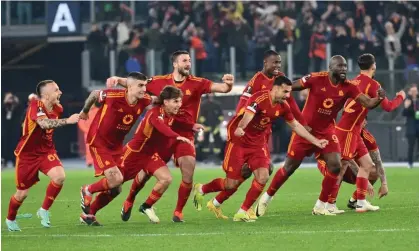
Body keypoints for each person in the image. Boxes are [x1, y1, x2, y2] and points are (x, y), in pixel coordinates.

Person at [106, 50, 234, 222]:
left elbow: (222, 88)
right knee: (145, 174)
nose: (188, 64)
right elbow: (136, 84)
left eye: (189, 60)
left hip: (185, 134)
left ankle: (178, 212)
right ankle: (129, 200)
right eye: (184, 61)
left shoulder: (197, 83)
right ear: (175, 64)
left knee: (188, 170)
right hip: (160, 135)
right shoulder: (159, 82)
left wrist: (228, 84)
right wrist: (117, 79)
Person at [256, 55, 385, 217]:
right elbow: (292, 86)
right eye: (340, 66)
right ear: (330, 68)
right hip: (305, 131)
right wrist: (276, 90)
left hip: (327, 131)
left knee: (336, 165)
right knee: (289, 168)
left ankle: (321, 205)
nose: (344, 69)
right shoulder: (316, 78)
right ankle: (266, 198)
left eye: (345, 66)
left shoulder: (349, 87)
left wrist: (379, 98)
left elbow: (367, 103)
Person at [193, 76, 328, 221]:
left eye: (289, 92)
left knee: (263, 175)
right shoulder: (260, 98)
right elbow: (248, 115)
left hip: (257, 144)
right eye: (285, 92)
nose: (288, 96)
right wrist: (241, 127)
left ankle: (242, 211)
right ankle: (202, 189)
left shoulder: (283, 106)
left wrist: (316, 141)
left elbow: (295, 125)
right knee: (231, 184)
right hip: (239, 141)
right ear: (275, 88)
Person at [199, 50, 307, 220]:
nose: (278, 66)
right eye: (274, 63)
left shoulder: (281, 81)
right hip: (245, 135)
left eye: (279, 63)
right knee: (240, 176)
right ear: (265, 63)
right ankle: (212, 196)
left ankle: (236, 208)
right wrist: (240, 125)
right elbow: (243, 102)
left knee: (262, 171)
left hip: (262, 135)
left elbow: (290, 103)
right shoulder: (256, 81)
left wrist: (303, 123)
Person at [327, 54, 405, 213]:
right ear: (373, 66)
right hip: (348, 130)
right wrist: (400, 97)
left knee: (368, 165)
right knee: (342, 168)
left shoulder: (354, 81)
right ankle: (328, 203)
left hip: (353, 129)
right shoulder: (372, 84)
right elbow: (388, 107)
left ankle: (360, 201)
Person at [78, 72, 153, 225]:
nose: (144, 89)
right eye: (140, 85)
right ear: (129, 86)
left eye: (145, 85)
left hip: (116, 146)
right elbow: (93, 94)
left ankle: (89, 214)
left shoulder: (144, 100)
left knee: (116, 188)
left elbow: (157, 100)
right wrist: (85, 111)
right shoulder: (113, 95)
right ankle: (87, 189)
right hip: (99, 141)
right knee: (116, 179)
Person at [5, 80, 80, 231]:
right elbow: (44, 124)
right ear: (46, 94)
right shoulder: (36, 105)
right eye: (56, 90)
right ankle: (10, 218)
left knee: (59, 176)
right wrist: (68, 121)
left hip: (46, 151)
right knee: (22, 193)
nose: (60, 92)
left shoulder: (58, 108)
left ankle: (44, 210)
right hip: (27, 155)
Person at [198, 93, 224, 162]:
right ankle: (205, 158)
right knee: (205, 143)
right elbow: (201, 117)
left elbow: (221, 116)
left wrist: (217, 126)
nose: (211, 95)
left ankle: (218, 158)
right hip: (206, 127)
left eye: (212, 94)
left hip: (216, 127)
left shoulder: (217, 104)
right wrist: (205, 126)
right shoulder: (203, 105)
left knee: (217, 142)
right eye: (209, 94)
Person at [77, 102, 101, 168]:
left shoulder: (98, 111)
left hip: (97, 133)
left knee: (99, 147)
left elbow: (101, 121)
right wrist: (88, 131)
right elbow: (81, 123)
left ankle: (99, 161)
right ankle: (89, 161)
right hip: (88, 133)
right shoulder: (84, 112)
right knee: (88, 147)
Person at [402, 84, 419, 169]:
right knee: (411, 146)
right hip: (411, 127)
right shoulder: (408, 101)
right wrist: (406, 107)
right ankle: (410, 163)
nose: (414, 93)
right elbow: (404, 113)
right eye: (412, 91)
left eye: (415, 91)